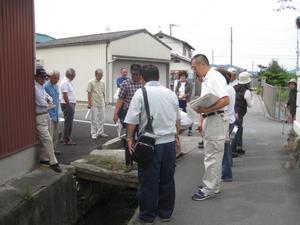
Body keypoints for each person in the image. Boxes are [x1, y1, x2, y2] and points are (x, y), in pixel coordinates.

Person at [125, 64, 180, 225]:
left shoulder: (140, 93)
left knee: (148, 181)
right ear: (158, 77)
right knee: (167, 180)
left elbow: (131, 120)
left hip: (150, 145)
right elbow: (177, 119)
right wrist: (177, 138)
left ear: (142, 78)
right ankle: (166, 213)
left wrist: (129, 138)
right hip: (169, 143)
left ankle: (148, 216)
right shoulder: (170, 94)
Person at [190, 54, 229, 201]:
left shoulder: (214, 77)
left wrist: (205, 111)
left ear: (201, 65)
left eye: (194, 67)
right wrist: (202, 119)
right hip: (212, 119)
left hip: (215, 119)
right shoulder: (208, 79)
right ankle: (214, 186)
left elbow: (226, 100)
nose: (194, 71)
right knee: (214, 155)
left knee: (212, 156)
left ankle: (209, 188)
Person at [113, 64, 142, 167]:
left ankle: (140, 160)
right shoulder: (126, 83)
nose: (135, 76)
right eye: (133, 74)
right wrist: (116, 113)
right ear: (130, 73)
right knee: (129, 138)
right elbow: (120, 99)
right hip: (129, 116)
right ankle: (129, 162)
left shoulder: (143, 83)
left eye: (137, 74)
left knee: (142, 138)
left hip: (142, 116)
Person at [34, 67, 62, 173]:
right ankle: (53, 162)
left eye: (44, 77)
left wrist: (48, 103)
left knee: (46, 138)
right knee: (47, 139)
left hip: (46, 114)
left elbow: (49, 98)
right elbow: (42, 102)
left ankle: (44, 159)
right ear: (36, 77)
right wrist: (48, 103)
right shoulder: (35, 87)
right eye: (41, 77)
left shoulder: (40, 87)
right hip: (39, 115)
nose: (43, 79)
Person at [217, 68, 236, 182]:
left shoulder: (224, 90)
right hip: (231, 120)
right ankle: (228, 170)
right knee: (227, 147)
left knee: (224, 149)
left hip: (225, 122)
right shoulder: (231, 88)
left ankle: (227, 174)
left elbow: (222, 107)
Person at [231, 71, 253, 157]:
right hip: (239, 113)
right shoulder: (246, 92)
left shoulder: (234, 87)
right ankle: (232, 150)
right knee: (235, 130)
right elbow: (250, 105)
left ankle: (238, 148)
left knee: (238, 129)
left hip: (233, 112)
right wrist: (253, 98)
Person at [87, 69, 108, 139]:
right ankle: (93, 133)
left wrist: (104, 101)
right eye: (100, 75)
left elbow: (103, 93)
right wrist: (89, 103)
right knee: (94, 119)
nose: (101, 77)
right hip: (94, 103)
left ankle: (100, 132)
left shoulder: (102, 83)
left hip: (101, 103)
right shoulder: (90, 82)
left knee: (102, 119)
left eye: (102, 75)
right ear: (96, 75)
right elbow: (89, 93)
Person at [44, 70, 61, 154]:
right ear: (50, 77)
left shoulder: (56, 86)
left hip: (56, 113)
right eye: (55, 78)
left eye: (58, 78)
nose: (57, 80)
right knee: (50, 134)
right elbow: (46, 100)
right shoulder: (46, 86)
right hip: (50, 113)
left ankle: (54, 149)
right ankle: (49, 152)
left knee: (56, 134)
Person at [60, 68, 77, 145]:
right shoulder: (65, 82)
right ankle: (66, 140)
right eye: (74, 75)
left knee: (68, 122)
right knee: (68, 123)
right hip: (68, 104)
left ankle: (66, 138)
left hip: (69, 103)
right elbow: (65, 95)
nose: (74, 77)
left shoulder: (67, 82)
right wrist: (69, 105)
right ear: (71, 75)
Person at [175, 70, 193, 136]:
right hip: (179, 101)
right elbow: (176, 90)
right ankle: (180, 128)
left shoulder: (189, 83)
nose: (182, 78)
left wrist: (184, 96)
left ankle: (190, 129)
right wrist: (178, 95)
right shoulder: (179, 83)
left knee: (188, 115)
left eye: (183, 77)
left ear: (186, 77)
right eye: (181, 77)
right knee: (180, 115)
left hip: (186, 101)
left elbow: (190, 93)